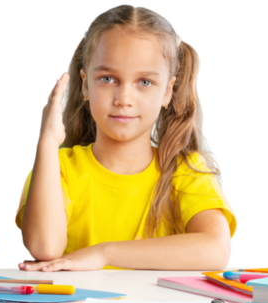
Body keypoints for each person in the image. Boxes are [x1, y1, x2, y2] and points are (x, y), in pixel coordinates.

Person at [15, 4, 237, 272]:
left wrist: (104, 254)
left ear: (167, 91)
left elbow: (216, 250)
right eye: (108, 78)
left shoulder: (185, 171)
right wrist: (47, 143)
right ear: (85, 84)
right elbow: (44, 247)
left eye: (144, 82)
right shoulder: (58, 168)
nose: (124, 100)